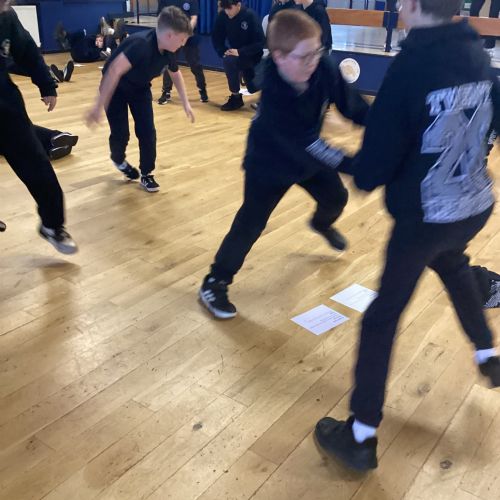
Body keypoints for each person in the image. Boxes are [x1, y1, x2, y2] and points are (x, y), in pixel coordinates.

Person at [314, 0, 500, 472]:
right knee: (453, 263)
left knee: (381, 317)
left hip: (425, 219)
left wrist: (331, 155)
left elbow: (373, 169)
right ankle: (488, 353)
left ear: (415, 5)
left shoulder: (410, 68)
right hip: (474, 205)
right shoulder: (477, 54)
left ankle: (360, 435)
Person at [199, 10, 368, 318]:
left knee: (336, 198)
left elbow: (353, 106)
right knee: (251, 223)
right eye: (304, 57)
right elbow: (308, 145)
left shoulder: (322, 66)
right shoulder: (276, 94)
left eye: (316, 52)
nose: (312, 61)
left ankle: (321, 223)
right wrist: (358, 166)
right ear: (278, 57)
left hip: (308, 157)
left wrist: (386, 128)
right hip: (269, 162)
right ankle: (215, 281)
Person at [86, 6, 195, 193]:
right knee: (121, 133)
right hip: (115, 89)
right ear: (170, 35)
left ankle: (147, 173)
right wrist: (97, 107)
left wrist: (186, 103)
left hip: (140, 89)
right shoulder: (140, 45)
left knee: (147, 132)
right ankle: (118, 159)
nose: (183, 44)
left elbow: (175, 74)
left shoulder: (169, 50)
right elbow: (113, 72)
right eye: (182, 39)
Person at [0, 0, 78, 254]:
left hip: (5, 104)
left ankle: (52, 225)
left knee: (37, 164)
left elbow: (27, 50)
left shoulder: (7, 17)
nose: (6, 4)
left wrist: (46, 84)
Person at [211, 0, 265, 110]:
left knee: (253, 86)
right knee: (228, 60)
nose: (227, 12)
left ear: (238, 5)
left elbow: (260, 43)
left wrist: (240, 52)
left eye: (229, 8)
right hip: (236, 54)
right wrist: (223, 51)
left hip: (253, 54)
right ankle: (236, 98)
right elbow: (216, 37)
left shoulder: (250, 16)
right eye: (225, 9)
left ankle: (267, 95)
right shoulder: (223, 15)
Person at [156, 0, 208, 104]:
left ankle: (202, 89)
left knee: (194, 63)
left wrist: (185, 34)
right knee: (169, 62)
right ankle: (166, 91)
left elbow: (194, 18)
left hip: (189, 35)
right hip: (172, 36)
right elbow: (161, 18)